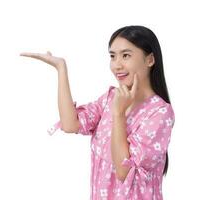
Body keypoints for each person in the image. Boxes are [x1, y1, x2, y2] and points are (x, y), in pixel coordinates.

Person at [20, 25, 175, 200]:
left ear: (150, 60)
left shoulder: (159, 112)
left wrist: (119, 114)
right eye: (112, 56)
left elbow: (124, 171)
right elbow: (70, 124)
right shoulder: (110, 99)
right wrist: (61, 68)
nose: (117, 65)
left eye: (126, 55)